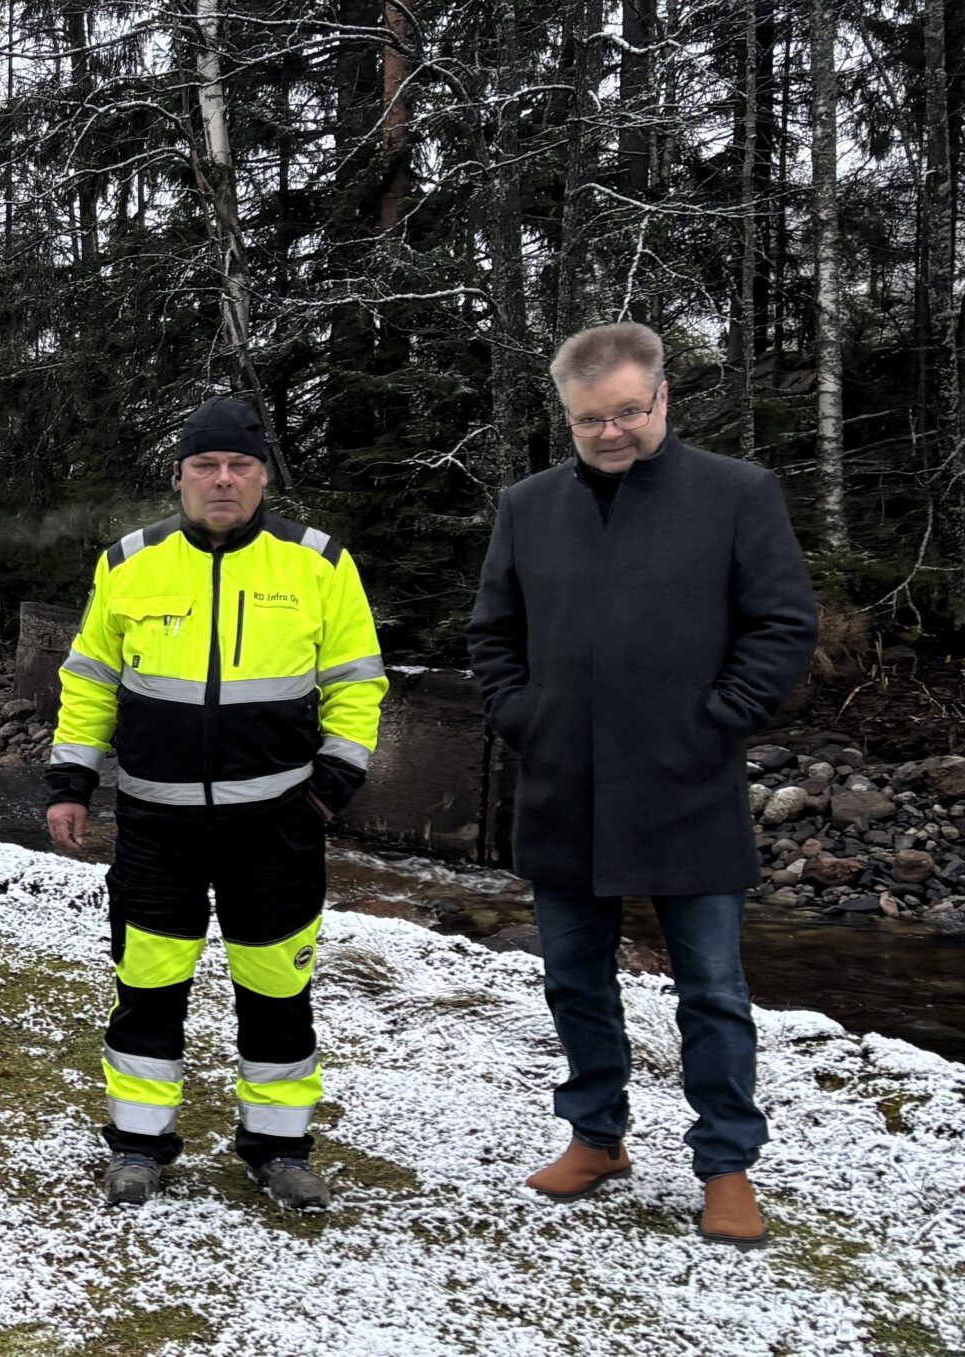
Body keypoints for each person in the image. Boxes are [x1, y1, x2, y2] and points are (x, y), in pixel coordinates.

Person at [467, 322, 817, 1248]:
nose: (613, 431)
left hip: (689, 781)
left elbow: (782, 628)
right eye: (592, 420)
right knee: (575, 979)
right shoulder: (528, 507)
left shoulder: (738, 494)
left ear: (662, 398)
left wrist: (716, 719)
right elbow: (493, 637)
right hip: (561, 786)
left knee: (710, 986)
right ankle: (597, 1135)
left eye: (627, 410)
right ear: (567, 418)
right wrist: (523, 715)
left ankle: (727, 1165)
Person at [45, 394, 387, 1210]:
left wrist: (329, 792)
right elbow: (89, 680)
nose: (223, 480)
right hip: (157, 825)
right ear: (180, 477)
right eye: (206, 465)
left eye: (239, 466)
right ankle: (137, 1145)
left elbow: (357, 684)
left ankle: (278, 1148)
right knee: (148, 985)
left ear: (264, 477)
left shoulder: (318, 562)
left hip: (277, 826)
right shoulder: (129, 562)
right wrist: (70, 783)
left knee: (276, 991)